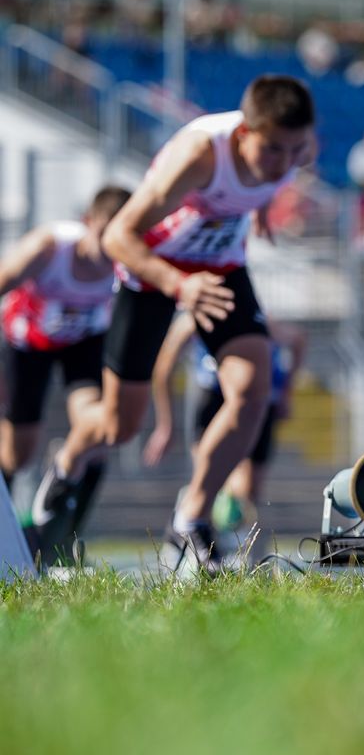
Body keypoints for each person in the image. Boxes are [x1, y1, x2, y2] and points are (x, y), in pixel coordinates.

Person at [33, 76, 317, 572]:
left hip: (221, 265)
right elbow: (119, 236)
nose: (283, 163)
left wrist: (261, 208)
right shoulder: (199, 156)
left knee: (252, 390)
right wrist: (177, 285)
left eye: (294, 151)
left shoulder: (292, 148)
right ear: (243, 133)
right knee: (120, 426)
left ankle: (190, 518)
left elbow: (275, 170)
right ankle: (68, 458)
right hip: (151, 268)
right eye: (272, 151)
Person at [0, 187, 130, 491]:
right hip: (28, 342)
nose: (108, 249)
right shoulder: (48, 249)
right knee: (19, 453)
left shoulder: (127, 260)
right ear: (88, 221)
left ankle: (65, 468)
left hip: (82, 342)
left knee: (96, 422)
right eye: (103, 234)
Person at [152, 315, 306, 530]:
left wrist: (285, 392)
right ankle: (192, 525)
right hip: (213, 397)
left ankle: (234, 540)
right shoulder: (191, 321)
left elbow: (297, 339)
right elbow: (163, 370)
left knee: (247, 489)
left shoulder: (255, 317)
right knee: (209, 476)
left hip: (258, 402)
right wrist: (165, 424)